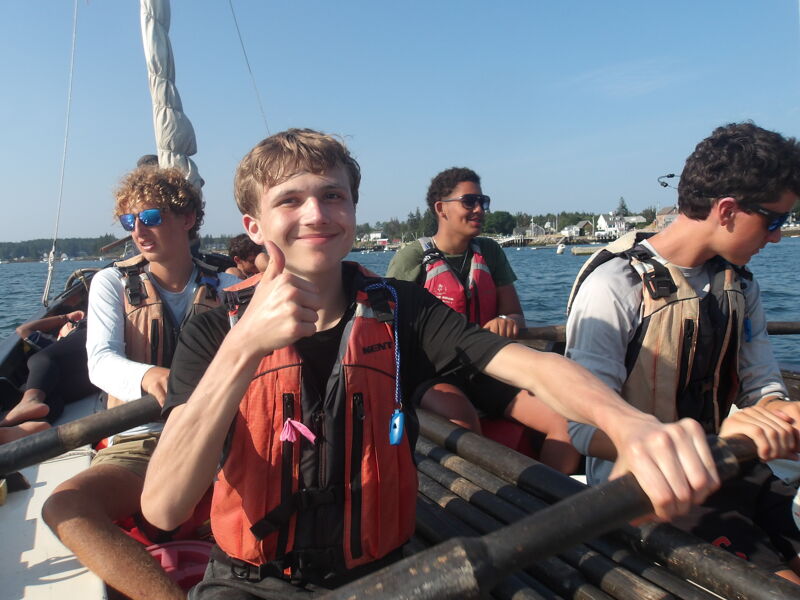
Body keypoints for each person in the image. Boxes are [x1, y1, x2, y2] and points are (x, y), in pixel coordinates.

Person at [139, 128, 768, 599]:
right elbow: (166, 507)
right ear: (253, 225)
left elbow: (528, 366)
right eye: (290, 200)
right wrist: (247, 344)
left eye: (333, 196)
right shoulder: (213, 327)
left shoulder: (399, 308)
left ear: (353, 212)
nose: (316, 214)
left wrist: (630, 425)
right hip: (251, 584)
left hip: (384, 572)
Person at [566, 122, 800, 582]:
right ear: (728, 210)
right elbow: (581, 430)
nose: (777, 236)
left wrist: (773, 414)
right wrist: (681, 445)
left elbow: (762, 386)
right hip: (648, 489)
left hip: (729, 468)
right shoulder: (615, 287)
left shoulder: (740, 284)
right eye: (774, 221)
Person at [42, 166, 239, 600]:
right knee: (65, 508)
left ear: (187, 218)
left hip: (222, 437)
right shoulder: (110, 284)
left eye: (150, 217)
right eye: (130, 222)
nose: (139, 231)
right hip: (143, 439)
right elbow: (100, 361)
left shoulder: (229, 287)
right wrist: (149, 375)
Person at [387, 167, 579, 473]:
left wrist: (507, 320)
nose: (480, 209)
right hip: (431, 373)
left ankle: (550, 507)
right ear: (441, 208)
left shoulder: (489, 251)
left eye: (483, 201)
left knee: (566, 422)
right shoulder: (411, 259)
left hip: (487, 365)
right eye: (470, 201)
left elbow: (514, 312)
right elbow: (387, 328)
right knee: (463, 421)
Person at [0, 310, 93, 444]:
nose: (69, 324)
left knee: (39, 359)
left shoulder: (85, 328)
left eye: (71, 324)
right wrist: (65, 317)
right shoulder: (54, 344)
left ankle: (31, 401)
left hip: (97, 345)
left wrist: (66, 318)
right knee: (51, 394)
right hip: (82, 380)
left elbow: (25, 331)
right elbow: (23, 330)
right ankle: (32, 425)